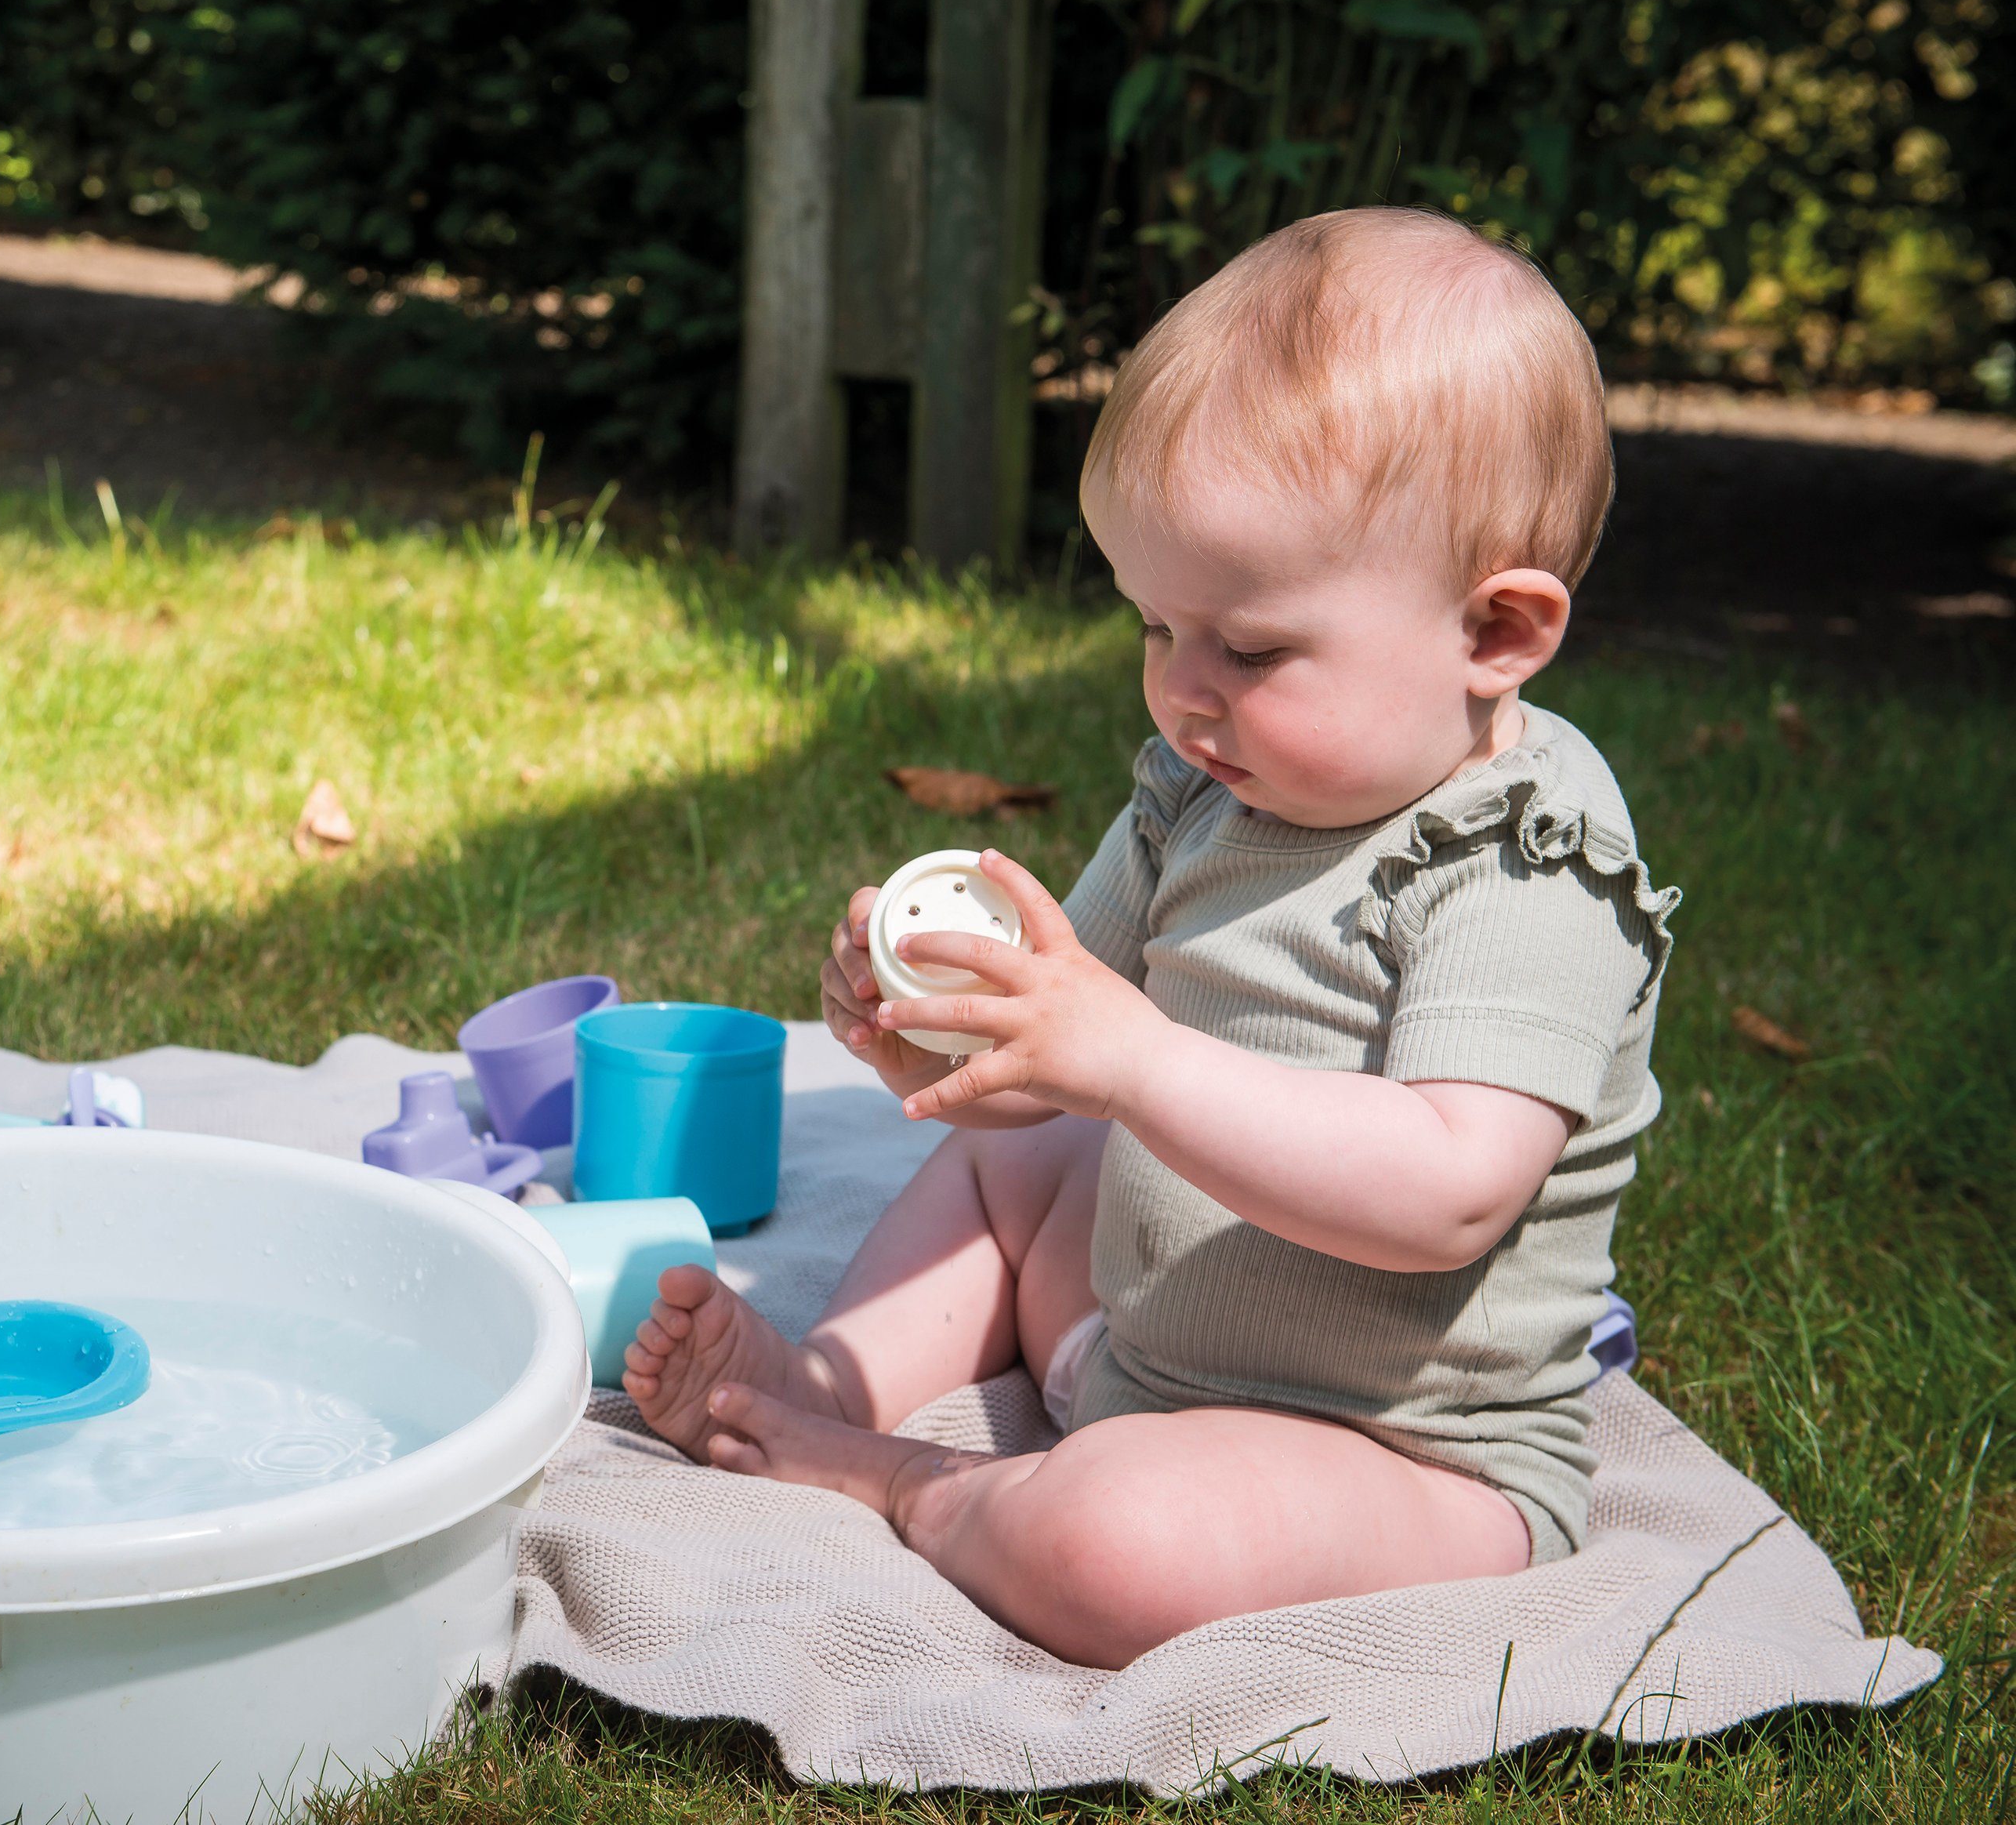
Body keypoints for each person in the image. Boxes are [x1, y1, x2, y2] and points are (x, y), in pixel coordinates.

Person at [622, 207, 1678, 1671]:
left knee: (1121, 1545)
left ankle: (904, 1480)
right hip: (1142, 1338)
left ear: (1495, 633)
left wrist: (1130, 1062)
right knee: (1013, 1155)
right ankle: (831, 1376)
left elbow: (1447, 1191)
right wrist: (932, 1025)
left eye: (1246, 648)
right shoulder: (1203, 782)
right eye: (1151, 626)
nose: (1181, 693)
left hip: (1390, 1451)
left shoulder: (1523, 862)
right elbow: (1062, 1066)